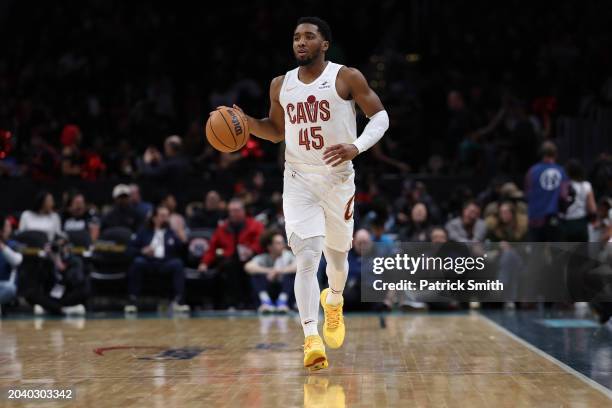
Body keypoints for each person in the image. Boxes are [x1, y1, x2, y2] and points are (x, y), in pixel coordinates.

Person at [224, 16, 388, 371]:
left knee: (338, 258)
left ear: (324, 43)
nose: (300, 42)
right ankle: (311, 337)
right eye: (296, 37)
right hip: (298, 178)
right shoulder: (280, 85)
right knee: (308, 256)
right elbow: (276, 130)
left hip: (338, 179)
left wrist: (356, 147)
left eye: (309, 37)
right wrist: (249, 124)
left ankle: (335, 301)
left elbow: (380, 118)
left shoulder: (346, 77)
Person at [198, 198, 264, 309]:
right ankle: (233, 303)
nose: (233, 214)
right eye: (231, 211)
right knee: (229, 267)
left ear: (243, 211)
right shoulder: (222, 228)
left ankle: (249, 303)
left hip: (250, 258)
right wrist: (204, 263)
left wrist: (251, 250)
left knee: (247, 267)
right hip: (229, 260)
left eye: (236, 210)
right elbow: (212, 248)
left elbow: (261, 242)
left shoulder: (255, 225)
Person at [125, 205, 189, 314]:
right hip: (148, 262)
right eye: (162, 216)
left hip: (165, 263)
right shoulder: (144, 231)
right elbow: (129, 249)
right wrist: (143, 251)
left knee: (178, 264)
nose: (165, 219)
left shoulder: (171, 233)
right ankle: (132, 301)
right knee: (137, 262)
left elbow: (183, 253)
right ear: (154, 218)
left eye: (167, 216)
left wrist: (183, 240)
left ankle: (178, 302)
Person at [525, 141, 569, 241]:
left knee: (536, 253)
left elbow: (527, 194)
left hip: (535, 218)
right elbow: (564, 196)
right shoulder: (561, 172)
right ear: (556, 154)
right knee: (557, 253)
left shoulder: (532, 171)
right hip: (553, 219)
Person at [244, 230, 296, 313]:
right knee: (256, 275)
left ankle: (282, 302)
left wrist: (279, 271)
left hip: (285, 291)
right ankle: (266, 302)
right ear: (269, 246)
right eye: (278, 243)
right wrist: (269, 271)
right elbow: (248, 267)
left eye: (282, 242)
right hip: (268, 290)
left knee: (290, 275)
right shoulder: (264, 257)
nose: (283, 245)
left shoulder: (288, 255)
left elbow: (298, 266)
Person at [564, 159, 596, 242]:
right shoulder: (586, 185)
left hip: (565, 224)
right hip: (580, 223)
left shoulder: (562, 186)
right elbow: (592, 209)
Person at [0, 216, 22, 308]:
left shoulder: (13, 245)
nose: (10, 229)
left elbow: (16, 261)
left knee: (10, 288)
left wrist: (1, 246)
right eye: (8, 226)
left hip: (3, 286)